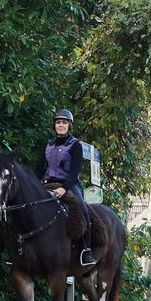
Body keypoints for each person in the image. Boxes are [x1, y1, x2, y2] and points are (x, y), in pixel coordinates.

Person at [42, 110, 93, 266]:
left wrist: (64, 188)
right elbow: (39, 168)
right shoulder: (48, 145)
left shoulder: (75, 145)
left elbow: (75, 171)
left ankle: (86, 250)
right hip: (48, 184)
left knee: (83, 210)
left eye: (64, 122)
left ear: (69, 125)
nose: (61, 125)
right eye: (58, 122)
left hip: (68, 185)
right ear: (54, 125)